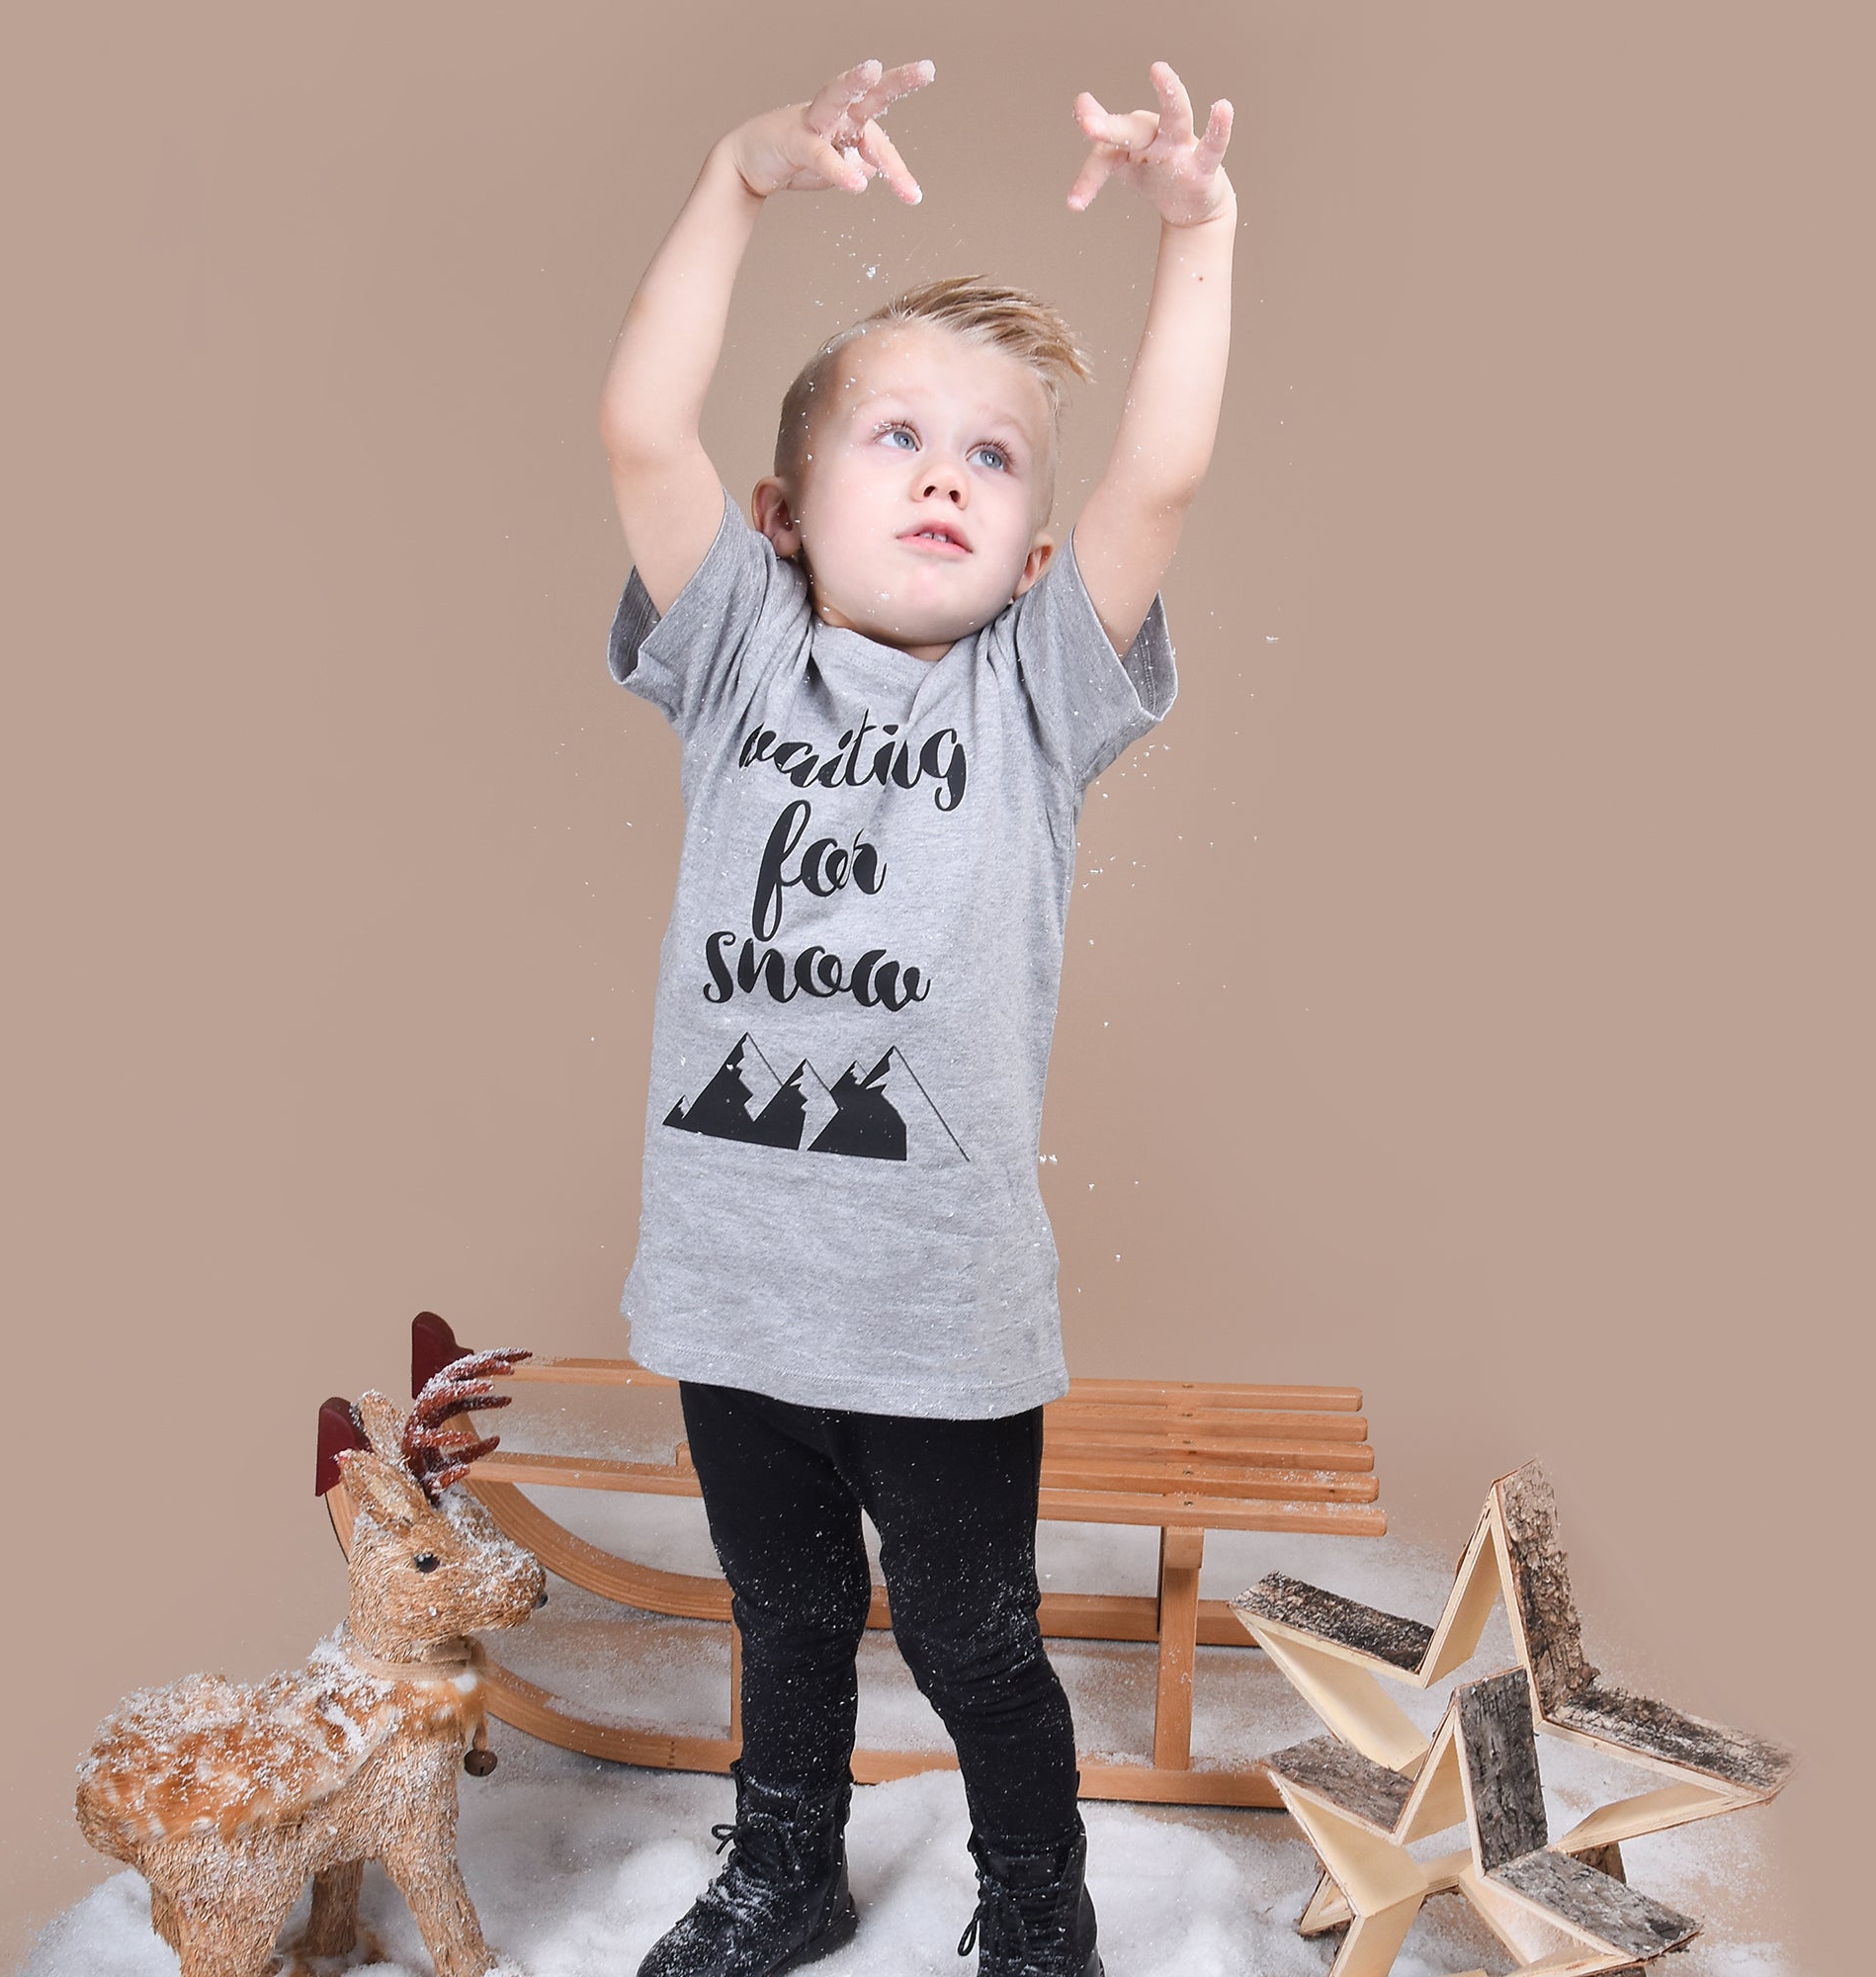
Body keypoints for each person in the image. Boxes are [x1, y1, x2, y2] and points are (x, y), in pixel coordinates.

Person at [596, 53, 1236, 1977]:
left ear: (1040, 555)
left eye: (991, 454)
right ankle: (783, 1866)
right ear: (782, 512)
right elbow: (640, 423)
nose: (947, 471)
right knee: (781, 1615)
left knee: (971, 1635)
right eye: (895, 439)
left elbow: (1169, 468)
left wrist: (1197, 233)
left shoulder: (1033, 700)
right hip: (731, 1290)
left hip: (939, 1319)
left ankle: (1034, 1906)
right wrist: (735, 175)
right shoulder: (733, 655)